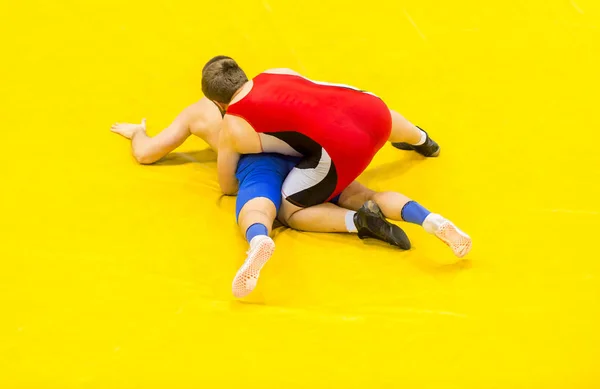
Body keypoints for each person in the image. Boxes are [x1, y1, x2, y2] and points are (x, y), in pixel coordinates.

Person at [111, 98, 471, 298]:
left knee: (263, 206)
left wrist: (138, 134)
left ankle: (260, 239)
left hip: (255, 166)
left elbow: (148, 154)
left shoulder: (198, 113)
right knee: (363, 193)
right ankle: (427, 218)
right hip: (310, 159)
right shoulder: (266, 99)